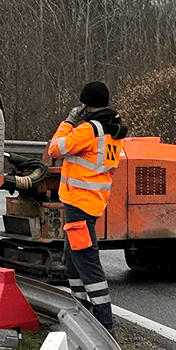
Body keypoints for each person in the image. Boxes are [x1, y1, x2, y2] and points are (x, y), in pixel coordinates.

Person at [47, 81, 127, 331]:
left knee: (86, 262)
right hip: (90, 202)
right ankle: (81, 312)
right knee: (71, 261)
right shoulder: (113, 131)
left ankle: (104, 322)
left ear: (85, 103)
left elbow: (56, 148)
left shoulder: (88, 130)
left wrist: (69, 122)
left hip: (79, 203)